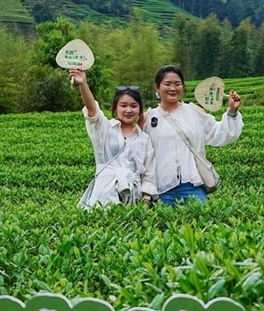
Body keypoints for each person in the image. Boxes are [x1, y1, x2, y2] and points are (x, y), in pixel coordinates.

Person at [141, 65, 243, 206]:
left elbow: (219, 133)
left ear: (183, 87)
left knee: (201, 225)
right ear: (157, 87)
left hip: (192, 185)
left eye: (177, 84)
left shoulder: (193, 112)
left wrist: (232, 111)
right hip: (161, 188)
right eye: (167, 84)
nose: (173, 88)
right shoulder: (148, 117)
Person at [70, 68, 156, 209]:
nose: (128, 110)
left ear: (140, 110)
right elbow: (92, 111)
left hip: (132, 197)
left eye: (134, 106)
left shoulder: (144, 139)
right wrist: (83, 84)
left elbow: (149, 174)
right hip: (104, 193)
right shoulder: (105, 129)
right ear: (115, 109)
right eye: (123, 106)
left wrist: (145, 203)